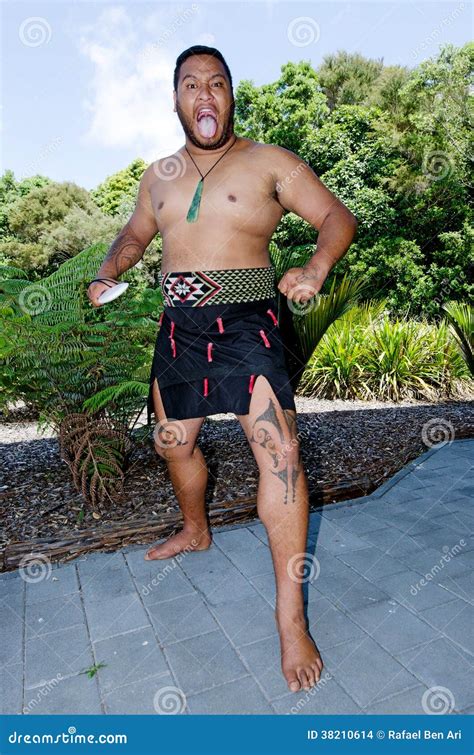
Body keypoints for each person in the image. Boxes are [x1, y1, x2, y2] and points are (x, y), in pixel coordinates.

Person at [88, 45, 358, 694]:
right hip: (179, 327)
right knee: (173, 442)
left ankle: (290, 618)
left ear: (231, 95)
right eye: (190, 84)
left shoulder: (270, 163)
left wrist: (315, 269)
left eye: (216, 83)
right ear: (175, 98)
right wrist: (111, 269)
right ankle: (196, 527)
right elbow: (133, 236)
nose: (204, 95)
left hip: (248, 322)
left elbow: (335, 217)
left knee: (281, 455)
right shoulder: (159, 175)